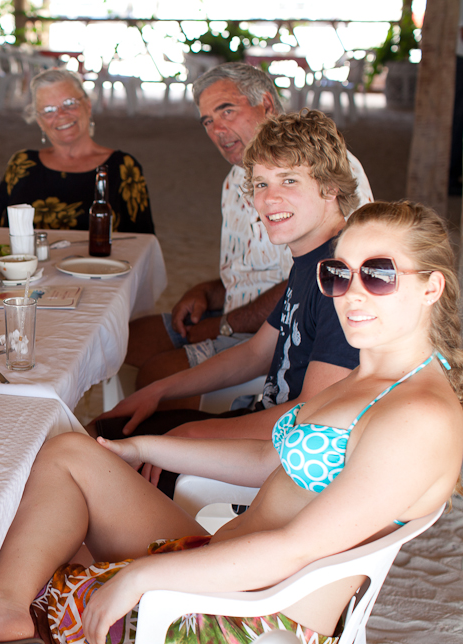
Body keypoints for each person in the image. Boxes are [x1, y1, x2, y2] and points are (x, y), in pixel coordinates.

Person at [0, 200, 463, 644]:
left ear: (431, 287)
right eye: (338, 274)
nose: (352, 294)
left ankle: (0, 638)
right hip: (228, 566)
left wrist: (142, 578)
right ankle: (3, 614)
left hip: (253, 631)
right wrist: (147, 448)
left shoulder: (419, 417)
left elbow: (296, 547)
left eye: (378, 275)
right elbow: (267, 459)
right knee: (69, 455)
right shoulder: (369, 376)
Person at [90, 111, 362, 482]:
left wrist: (190, 436)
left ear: (330, 188)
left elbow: (312, 418)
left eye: (289, 180)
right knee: (101, 434)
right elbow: (254, 353)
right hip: (262, 424)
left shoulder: (342, 279)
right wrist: (159, 390)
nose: (269, 198)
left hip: (281, 462)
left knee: (97, 464)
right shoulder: (310, 260)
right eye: (261, 184)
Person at [125, 63, 372, 403]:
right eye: (207, 121)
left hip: (279, 328)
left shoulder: (328, 168)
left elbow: (331, 273)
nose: (217, 130)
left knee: (157, 374)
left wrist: (226, 324)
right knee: (128, 341)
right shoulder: (235, 179)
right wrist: (207, 292)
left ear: (266, 104)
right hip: (245, 316)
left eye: (227, 110)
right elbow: (248, 269)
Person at [0, 69, 154, 234]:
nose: (61, 114)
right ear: (40, 121)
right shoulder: (22, 163)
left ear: (88, 106)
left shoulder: (123, 167)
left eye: (69, 103)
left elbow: (144, 243)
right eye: (48, 110)